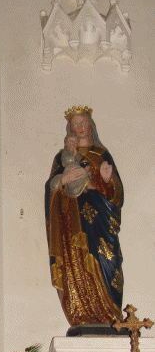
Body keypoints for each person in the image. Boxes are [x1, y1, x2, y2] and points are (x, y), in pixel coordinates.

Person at [45, 108, 124, 327]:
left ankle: (110, 313)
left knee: (108, 260)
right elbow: (51, 188)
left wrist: (106, 181)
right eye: (74, 125)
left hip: (100, 219)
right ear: (69, 130)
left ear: (91, 126)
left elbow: (116, 194)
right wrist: (63, 179)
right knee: (77, 261)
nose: (79, 129)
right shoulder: (61, 158)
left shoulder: (102, 154)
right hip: (72, 221)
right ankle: (82, 313)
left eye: (83, 124)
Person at [50, 134, 91, 198]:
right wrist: (63, 180)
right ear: (66, 142)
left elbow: (83, 163)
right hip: (67, 179)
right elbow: (56, 173)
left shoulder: (79, 155)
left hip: (77, 176)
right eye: (71, 141)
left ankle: (84, 186)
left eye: (76, 142)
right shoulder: (61, 155)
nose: (74, 144)